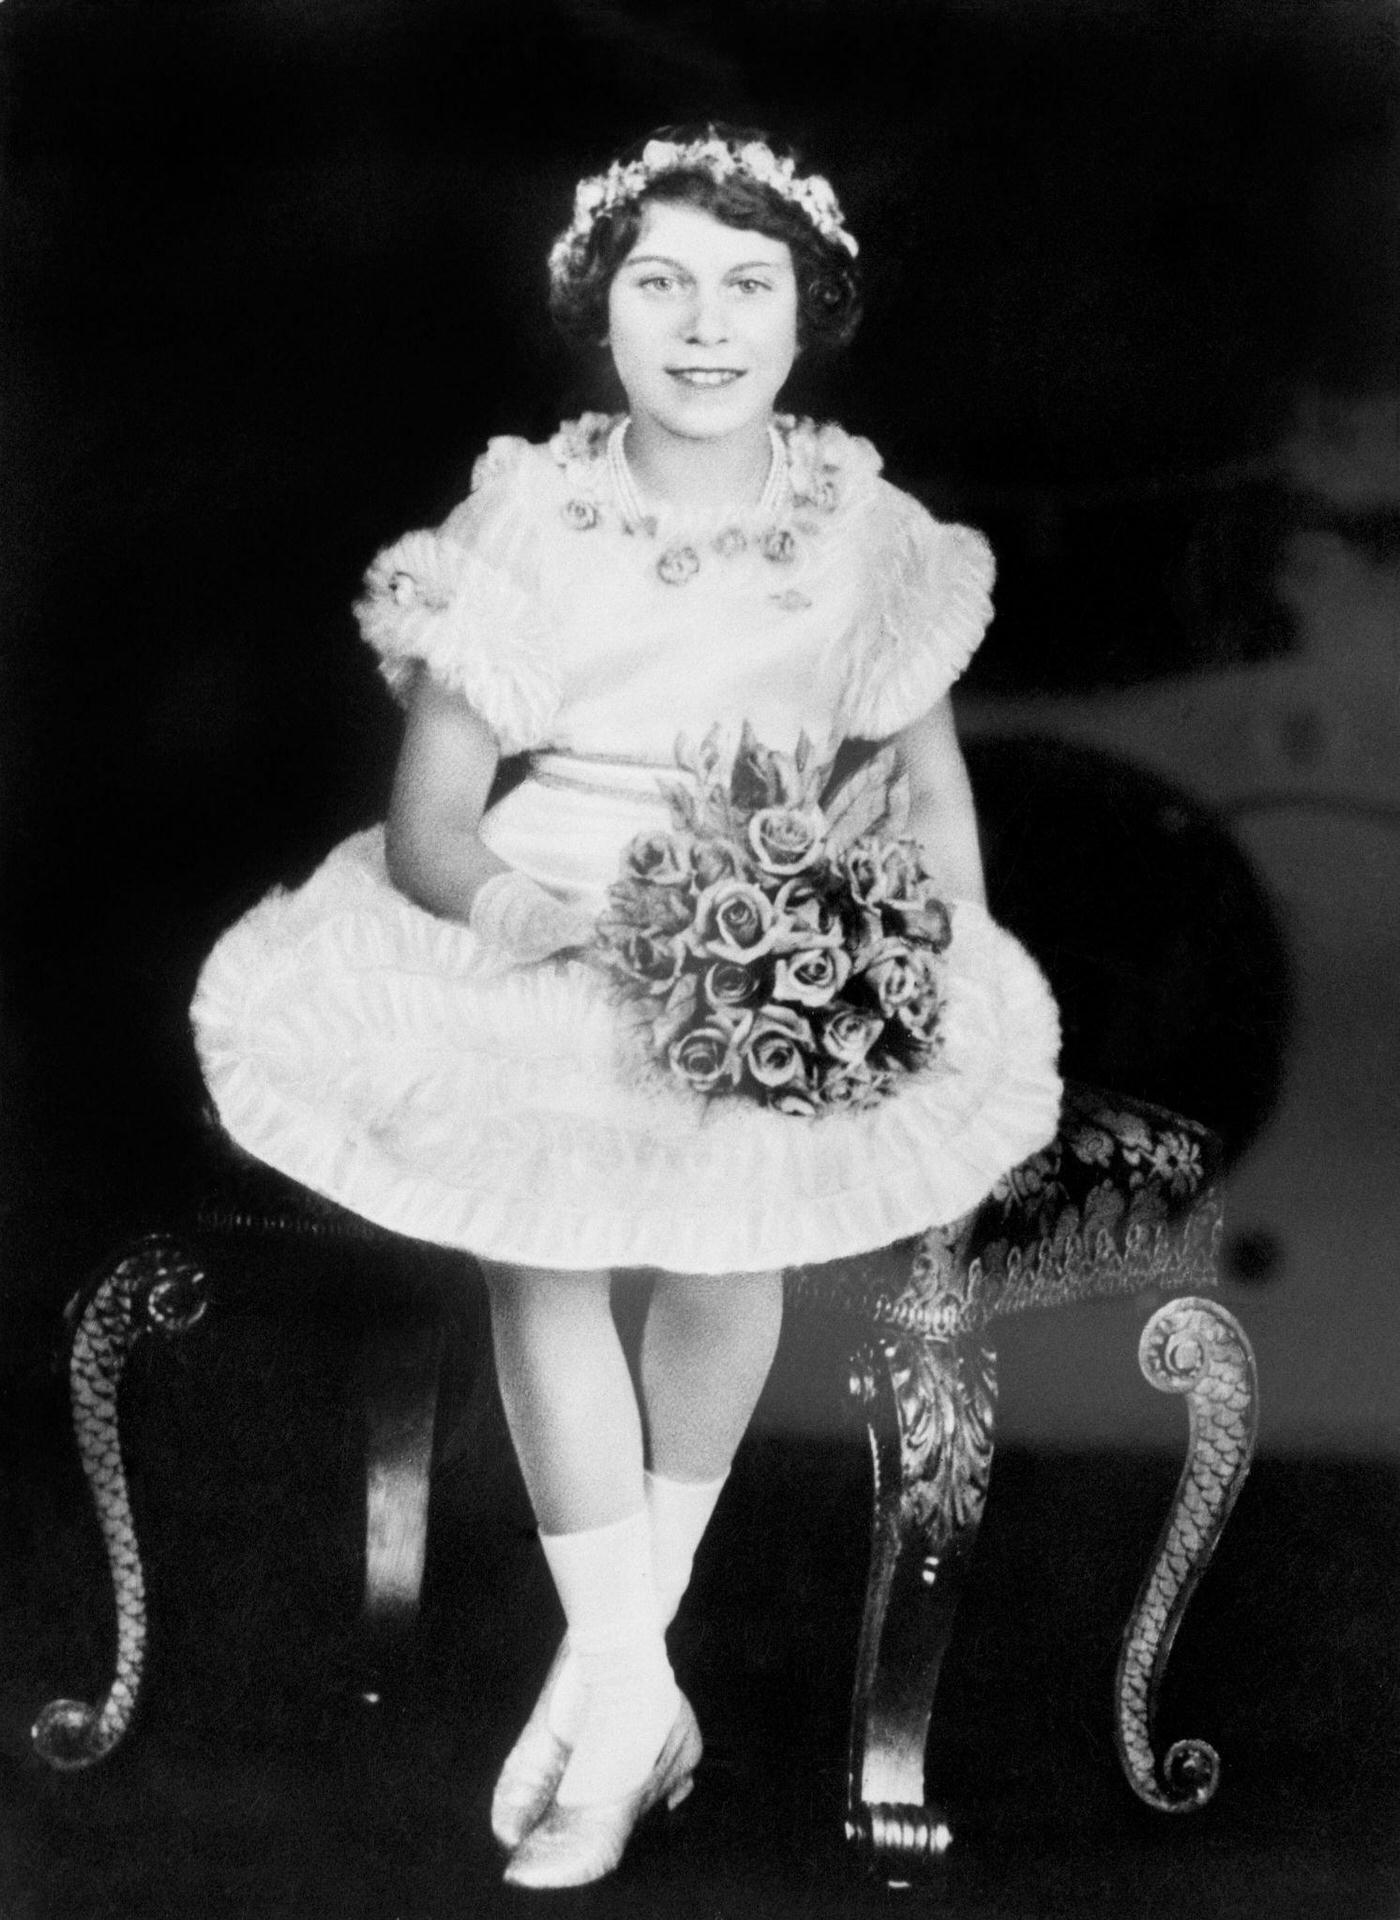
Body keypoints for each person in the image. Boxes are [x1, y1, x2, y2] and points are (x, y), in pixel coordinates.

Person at [192, 124, 1061, 1889]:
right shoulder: (529, 506)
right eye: (660, 283)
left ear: (807, 317)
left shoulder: (868, 526)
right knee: (548, 1237)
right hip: (547, 914)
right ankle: (625, 1693)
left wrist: (922, 963)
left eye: (747, 288)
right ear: (605, 315)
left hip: (772, 908)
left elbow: (930, 789)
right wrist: (547, 917)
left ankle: (604, 1696)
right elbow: (436, 823)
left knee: (731, 1235)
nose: (705, 325)